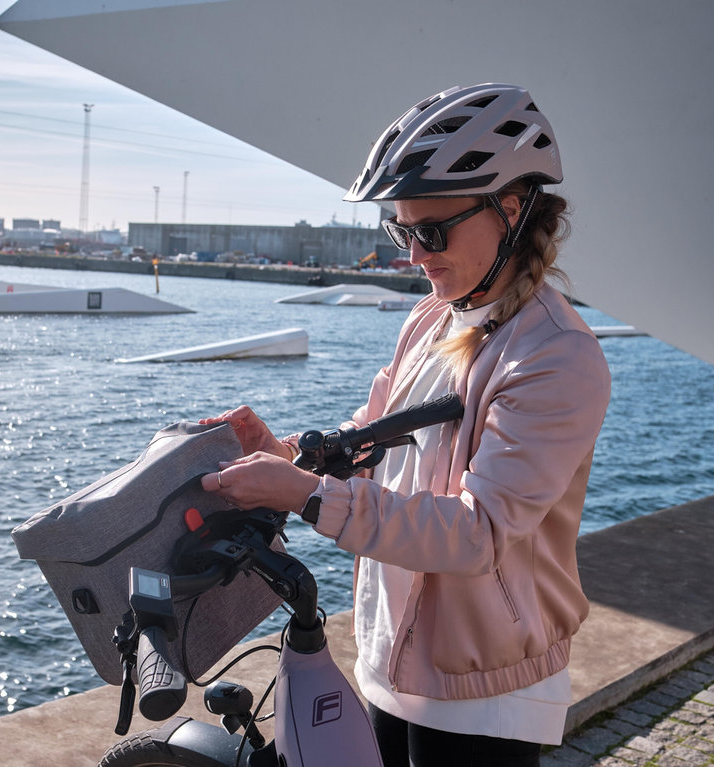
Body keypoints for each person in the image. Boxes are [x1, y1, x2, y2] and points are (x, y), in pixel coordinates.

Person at [199, 83, 611, 767]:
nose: (414, 255)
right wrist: (291, 455)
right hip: (393, 654)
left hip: (484, 691)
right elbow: (375, 434)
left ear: (510, 208)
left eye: (431, 231)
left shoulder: (557, 356)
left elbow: (478, 532)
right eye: (402, 230)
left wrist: (303, 496)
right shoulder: (432, 316)